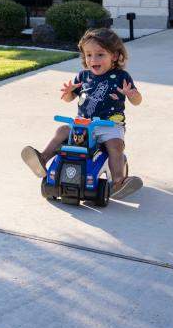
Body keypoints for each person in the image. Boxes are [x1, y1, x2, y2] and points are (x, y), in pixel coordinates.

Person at [20, 28, 144, 200]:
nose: (93, 59)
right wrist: (68, 93)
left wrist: (132, 95)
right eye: (89, 55)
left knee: (116, 147)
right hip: (83, 125)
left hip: (110, 126)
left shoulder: (121, 76)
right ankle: (42, 158)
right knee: (62, 130)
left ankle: (118, 182)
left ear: (114, 56)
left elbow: (137, 101)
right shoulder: (83, 76)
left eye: (100, 54)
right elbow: (68, 99)